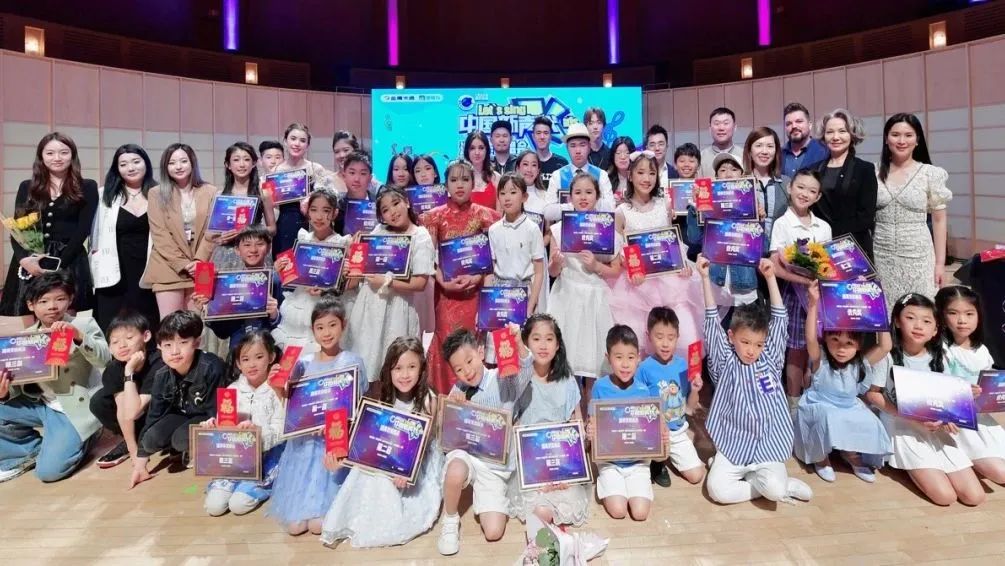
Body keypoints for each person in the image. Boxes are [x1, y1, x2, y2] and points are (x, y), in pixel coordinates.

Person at [697, 255, 814, 505]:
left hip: (766, 445)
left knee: (775, 492)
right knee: (717, 491)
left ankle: (778, 486)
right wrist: (705, 278)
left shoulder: (770, 358)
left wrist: (770, 277)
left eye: (758, 344)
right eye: (745, 342)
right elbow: (711, 322)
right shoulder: (725, 360)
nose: (751, 350)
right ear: (731, 337)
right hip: (733, 445)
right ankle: (765, 484)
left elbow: (780, 319)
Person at [320, 337, 443, 548]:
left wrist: (408, 472)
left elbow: (423, 446)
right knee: (364, 471)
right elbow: (366, 437)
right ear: (389, 370)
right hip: (383, 454)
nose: (405, 375)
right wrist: (341, 457)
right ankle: (354, 519)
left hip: (413, 460)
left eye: (412, 367)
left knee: (386, 481)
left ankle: (382, 522)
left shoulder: (428, 399)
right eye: (398, 368)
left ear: (422, 368)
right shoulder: (379, 393)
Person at [865, 294, 986, 506]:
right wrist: (910, 417)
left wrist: (955, 409)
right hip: (901, 425)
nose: (919, 326)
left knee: (974, 496)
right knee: (945, 497)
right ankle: (903, 465)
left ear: (936, 329)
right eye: (910, 318)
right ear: (897, 321)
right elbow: (872, 394)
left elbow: (946, 396)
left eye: (927, 321)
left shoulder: (939, 356)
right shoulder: (888, 356)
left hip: (935, 426)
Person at [269, 294, 368, 535]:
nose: (326, 333)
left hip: (333, 444)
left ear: (343, 325)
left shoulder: (353, 362)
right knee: (295, 527)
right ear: (312, 330)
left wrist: (337, 424)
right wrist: (277, 387)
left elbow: (358, 410)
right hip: (304, 447)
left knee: (318, 525)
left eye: (332, 325)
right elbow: (294, 407)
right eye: (320, 327)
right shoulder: (302, 363)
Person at [0, 271, 110, 484]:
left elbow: (105, 359)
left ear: (70, 299)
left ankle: (88, 436)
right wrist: (4, 393)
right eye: (44, 301)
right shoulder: (26, 337)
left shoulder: (83, 324)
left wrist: (78, 337)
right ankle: (28, 451)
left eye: (60, 299)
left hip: (72, 408)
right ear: (31, 305)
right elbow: (19, 382)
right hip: (40, 404)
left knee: (48, 473)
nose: (52, 306)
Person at [436, 325, 532, 556]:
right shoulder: (458, 391)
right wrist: (453, 411)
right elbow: (445, 433)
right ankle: (450, 519)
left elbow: (526, 370)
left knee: (494, 532)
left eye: (469, 361)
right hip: (467, 455)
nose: (467, 372)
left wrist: (519, 343)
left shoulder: (503, 378)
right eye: (459, 369)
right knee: (456, 471)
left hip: (494, 467)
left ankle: (484, 494)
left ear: (481, 352)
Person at [608, 151, 703, 362]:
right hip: (635, 287)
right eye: (640, 172)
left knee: (683, 338)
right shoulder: (622, 211)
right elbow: (619, 252)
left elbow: (671, 242)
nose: (646, 178)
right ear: (630, 175)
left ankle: (684, 382)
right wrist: (629, 266)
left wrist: (683, 265)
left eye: (651, 173)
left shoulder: (665, 204)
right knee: (637, 346)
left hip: (669, 283)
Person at [793, 281, 892, 482]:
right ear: (826, 340)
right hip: (820, 405)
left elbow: (885, 346)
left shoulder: (861, 364)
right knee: (828, 417)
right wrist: (813, 303)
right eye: (835, 341)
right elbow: (810, 338)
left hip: (848, 406)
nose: (841, 348)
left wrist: (878, 304)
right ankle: (821, 457)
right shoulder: (820, 359)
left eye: (849, 343)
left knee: (869, 419)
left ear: (858, 345)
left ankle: (851, 453)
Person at [419, 160, 501, 393]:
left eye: (465, 179)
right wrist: (443, 281)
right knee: (448, 345)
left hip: (476, 295)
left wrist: (477, 278)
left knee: (474, 346)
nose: (460, 185)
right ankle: (447, 402)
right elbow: (428, 258)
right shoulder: (433, 217)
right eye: (454, 180)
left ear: (473, 183)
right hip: (445, 296)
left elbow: (493, 257)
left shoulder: (487, 216)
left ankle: (479, 401)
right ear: (445, 184)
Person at [547, 173, 623, 417]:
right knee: (567, 362)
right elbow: (552, 271)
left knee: (593, 365)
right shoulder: (559, 229)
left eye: (589, 192)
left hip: (595, 298)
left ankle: (592, 419)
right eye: (578, 192)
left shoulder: (607, 229)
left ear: (597, 196)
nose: (583, 197)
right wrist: (556, 263)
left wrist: (596, 266)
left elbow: (616, 269)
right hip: (566, 296)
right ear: (569, 197)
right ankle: (571, 417)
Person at [0, 132, 98, 322]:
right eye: (50, 153)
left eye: (64, 152)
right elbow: (17, 228)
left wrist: (59, 265)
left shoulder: (87, 186)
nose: (57, 158)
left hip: (68, 259)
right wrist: (24, 260)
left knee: (62, 319)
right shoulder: (27, 186)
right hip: (31, 260)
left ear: (72, 155)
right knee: (28, 317)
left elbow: (83, 231)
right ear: (41, 156)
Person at [508, 314, 590, 531]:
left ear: (558, 345)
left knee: (562, 505)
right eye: (536, 339)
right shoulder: (518, 380)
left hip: (561, 462)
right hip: (529, 465)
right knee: (541, 509)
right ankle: (544, 542)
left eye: (549, 339)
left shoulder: (568, 381)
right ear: (525, 343)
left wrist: (566, 470)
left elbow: (577, 427)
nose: (543, 345)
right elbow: (511, 426)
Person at [345, 186, 434, 382]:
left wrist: (388, 282)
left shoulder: (420, 236)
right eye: (385, 210)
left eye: (396, 203)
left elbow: (420, 283)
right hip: (368, 305)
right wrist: (355, 251)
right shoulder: (378, 231)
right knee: (365, 365)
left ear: (407, 202)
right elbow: (363, 266)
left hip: (397, 309)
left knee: (394, 367)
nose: (392, 212)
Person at [132, 310, 226, 483]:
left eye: (183, 342)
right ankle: (180, 447)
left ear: (197, 342)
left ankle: (194, 449)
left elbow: (219, 412)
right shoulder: (162, 375)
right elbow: (153, 417)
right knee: (150, 439)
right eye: (168, 345)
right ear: (159, 347)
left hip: (207, 417)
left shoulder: (212, 367)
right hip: (182, 415)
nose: (174, 351)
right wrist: (140, 465)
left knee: (181, 439)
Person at [587, 325, 667, 520]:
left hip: (638, 463)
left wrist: (661, 438)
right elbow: (593, 425)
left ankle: (635, 483)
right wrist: (591, 433)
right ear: (608, 358)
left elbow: (649, 433)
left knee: (640, 513)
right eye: (618, 357)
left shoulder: (644, 391)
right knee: (618, 511)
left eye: (630, 357)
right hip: (609, 462)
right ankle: (608, 482)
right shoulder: (599, 387)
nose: (625, 364)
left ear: (638, 357)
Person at [202, 330, 286, 517]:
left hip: (266, 457)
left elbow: (282, 431)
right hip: (235, 459)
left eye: (259, 357)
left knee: (238, 505)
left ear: (271, 357)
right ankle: (233, 483)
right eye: (245, 359)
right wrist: (212, 428)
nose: (252, 364)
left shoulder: (277, 389)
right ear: (238, 363)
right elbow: (223, 426)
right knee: (214, 506)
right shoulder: (232, 389)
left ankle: (264, 486)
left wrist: (257, 434)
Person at [875, 113, 952, 313]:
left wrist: (940, 263)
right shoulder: (873, 172)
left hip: (919, 256)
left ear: (917, 140)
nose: (901, 141)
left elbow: (939, 220)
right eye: (895, 135)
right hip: (881, 255)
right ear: (886, 139)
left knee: (919, 312)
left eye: (908, 135)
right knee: (885, 313)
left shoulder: (930, 174)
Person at [769, 169, 831, 411]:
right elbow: (775, 265)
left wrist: (821, 275)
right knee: (795, 350)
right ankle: (793, 403)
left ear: (818, 196)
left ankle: (814, 400)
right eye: (801, 187)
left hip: (820, 297)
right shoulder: (782, 224)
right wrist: (804, 280)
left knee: (817, 348)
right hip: (794, 296)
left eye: (812, 191)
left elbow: (828, 263)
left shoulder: (823, 227)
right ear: (790, 188)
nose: (805, 194)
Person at [936, 286, 1005, 485]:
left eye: (969, 314)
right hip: (956, 422)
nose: (962, 320)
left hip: (982, 419)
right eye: (953, 313)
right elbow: (935, 387)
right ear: (941, 315)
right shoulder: (941, 349)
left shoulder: (981, 350)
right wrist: (961, 391)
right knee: (1000, 473)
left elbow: (989, 385)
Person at [90, 144, 160, 333]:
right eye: (123, 164)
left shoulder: (159, 193)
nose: (131, 168)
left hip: (150, 268)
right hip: (113, 270)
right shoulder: (104, 195)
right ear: (117, 169)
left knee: (149, 324)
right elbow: (93, 232)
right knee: (112, 325)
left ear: (146, 164)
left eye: (136, 162)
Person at [144, 143, 218, 319]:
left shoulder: (211, 191)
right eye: (172, 163)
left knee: (196, 325)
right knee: (170, 325)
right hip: (168, 267)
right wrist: (183, 264)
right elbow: (159, 234)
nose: (178, 166)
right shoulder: (156, 193)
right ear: (165, 167)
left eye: (183, 161)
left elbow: (214, 229)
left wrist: (199, 261)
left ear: (192, 163)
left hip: (200, 267)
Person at [272, 190, 351, 352]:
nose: (319, 216)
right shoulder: (303, 239)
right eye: (314, 210)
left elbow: (350, 284)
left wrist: (329, 287)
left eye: (326, 210)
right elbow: (292, 276)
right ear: (307, 212)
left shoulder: (343, 243)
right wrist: (280, 269)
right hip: (300, 300)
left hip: (327, 305)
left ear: (335, 213)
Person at [637, 307, 706, 488]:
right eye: (659, 337)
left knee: (696, 475)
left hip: (677, 431)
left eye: (671, 337)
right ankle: (657, 463)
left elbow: (690, 407)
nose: (665, 344)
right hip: (654, 432)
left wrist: (695, 390)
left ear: (678, 337)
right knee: (646, 462)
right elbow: (638, 405)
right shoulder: (644, 368)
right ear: (649, 336)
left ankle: (666, 455)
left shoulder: (683, 366)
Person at [88, 312, 163, 474]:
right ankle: (133, 439)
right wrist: (133, 450)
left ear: (146, 336)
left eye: (129, 338)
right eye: (115, 342)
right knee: (98, 401)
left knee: (162, 437)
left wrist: (129, 372)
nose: (121, 345)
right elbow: (124, 411)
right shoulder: (113, 369)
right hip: (136, 414)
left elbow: (135, 410)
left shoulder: (159, 362)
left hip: (160, 415)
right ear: (109, 347)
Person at [685, 153, 757, 318]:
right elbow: (695, 238)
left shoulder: (751, 205)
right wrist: (696, 208)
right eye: (723, 170)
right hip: (715, 285)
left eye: (734, 169)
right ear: (716, 177)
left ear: (742, 175)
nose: (728, 174)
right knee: (714, 332)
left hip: (744, 289)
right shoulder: (708, 205)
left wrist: (757, 221)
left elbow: (762, 248)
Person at [190, 226, 282, 350]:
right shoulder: (227, 284)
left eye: (260, 244)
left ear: (269, 247)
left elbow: (287, 324)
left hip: (269, 347)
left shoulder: (275, 280)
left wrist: (275, 314)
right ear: (237, 250)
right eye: (247, 245)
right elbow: (223, 333)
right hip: (238, 350)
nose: (253, 250)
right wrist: (208, 309)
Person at [811, 108, 878, 260]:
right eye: (830, 132)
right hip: (820, 248)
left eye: (842, 131)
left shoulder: (865, 169)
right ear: (823, 136)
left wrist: (833, 235)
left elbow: (866, 216)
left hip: (854, 248)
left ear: (852, 134)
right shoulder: (813, 170)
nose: (836, 137)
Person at [209, 142, 277, 270]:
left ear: (254, 163)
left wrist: (248, 230)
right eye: (236, 160)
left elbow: (273, 229)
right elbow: (212, 233)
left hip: (254, 254)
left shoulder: (263, 192)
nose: (242, 164)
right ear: (228, 165)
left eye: (246, 159)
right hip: (226, 253)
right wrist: (220, 238)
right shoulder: (220, 195)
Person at [272, 123, 336, 257]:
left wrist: (311, 200)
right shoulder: (276, 171)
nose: (297, 144)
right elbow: (272, 207)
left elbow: (330, 198)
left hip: (312, 225)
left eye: (302, 140)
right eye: (293, 139)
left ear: (307, 146)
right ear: (285, 141)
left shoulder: (316, 169)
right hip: (284, 226)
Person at [488, 174, 546, 314]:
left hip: (524, 295)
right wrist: (487, 304)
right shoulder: (493, 230)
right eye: (502, 193)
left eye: (513, 192)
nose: (507, 198)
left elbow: (539, 272)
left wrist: (531, 305)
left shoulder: (532, 229)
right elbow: (490, 272)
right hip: (499, 296)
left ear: (524, 197)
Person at [544, 123, 615, 220]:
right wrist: (574, 204)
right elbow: (548, 212)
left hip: (594, 228)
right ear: (567, 148)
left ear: (589, 147)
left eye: (582, 145)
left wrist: (586, 203)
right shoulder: (557, 175)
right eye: (573, 146)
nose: (578, 151)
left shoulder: (601, 175)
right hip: (565, 228)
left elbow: (611, 208)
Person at [743, 127, 789, 240]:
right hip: (748, 245)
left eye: (770, 146)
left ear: (776, 151)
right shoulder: (740, 183)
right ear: (749, 150)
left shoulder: (786, 182)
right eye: (758, 145)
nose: (764, 151)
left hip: (780, 247)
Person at [333, 151, 379, 237]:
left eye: (363, 174)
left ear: (370, 178)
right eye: (352, 173)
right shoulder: (336, 205)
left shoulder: (379, 203)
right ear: (344, 176)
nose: (357, 179)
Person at [781, 102, 828, 178]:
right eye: (789, 124)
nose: (794, 126)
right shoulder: (778, 154)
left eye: (799, 121)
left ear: (810, 125)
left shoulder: (824, 151)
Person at [699, 108, 744, 178]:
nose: (721, 128)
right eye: (716, 123)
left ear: (734, 127)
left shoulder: (744, 155)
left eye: (726, 123)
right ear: (710, 129)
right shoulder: (701, 158)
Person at [463, 131, 501, 210]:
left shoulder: (496, 178)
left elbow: (500, 212)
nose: (477, 152)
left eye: (481, 148)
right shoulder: (460, 178)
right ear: (467, 151)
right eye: (472, 148)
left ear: (487, 150)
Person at [531, 116, 568, 185]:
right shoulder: (528, 163)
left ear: (550, 136)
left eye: (546, 133)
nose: (542, 137)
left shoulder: (562, 163)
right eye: (538, 133)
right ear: (533, 136)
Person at [606, 136, 635, 204]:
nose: (623, 157)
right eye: (618, 153)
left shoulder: (638, 178)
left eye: (627, 153)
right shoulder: (606, 179)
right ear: (613, 156)